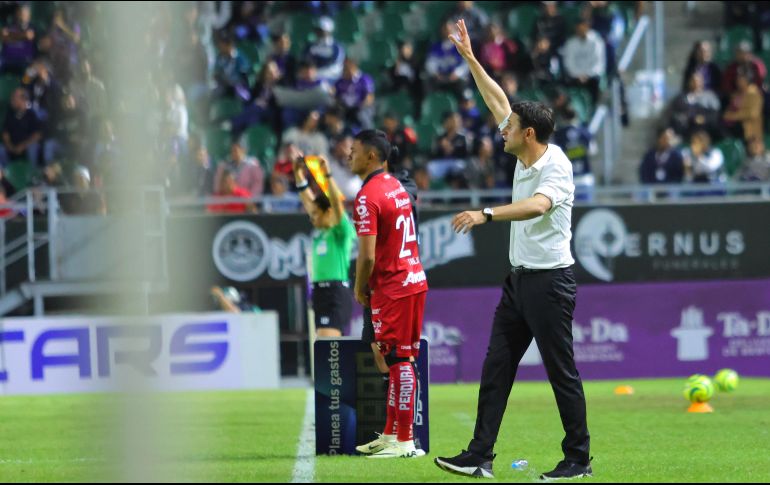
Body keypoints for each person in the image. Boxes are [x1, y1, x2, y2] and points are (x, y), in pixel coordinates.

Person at [434, 20, 592, 481]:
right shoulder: (525, 150)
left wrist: (486, 214)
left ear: (529, 135)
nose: (501, 130)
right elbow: (497, 99)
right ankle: (479, 455)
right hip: (519, 281)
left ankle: (578, 460)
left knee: (561, 372)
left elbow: (538, 206)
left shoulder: (555, 166)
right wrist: (468, 57)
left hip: (550, 283)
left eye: (511, 128)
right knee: (496, 367)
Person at [349, 129, 428, 459]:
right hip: (412, 278)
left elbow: (366, 256)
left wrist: (358, 288)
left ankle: (406, 441)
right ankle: (392, 433)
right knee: (399, 358)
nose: (349, 155)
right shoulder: (396, 185)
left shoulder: (367, 197)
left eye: (354, 151)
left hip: (393, 286)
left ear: (371, 156)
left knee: (398, 360)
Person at [291, 147, 356, 338]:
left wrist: (327, 175)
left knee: (328, 347)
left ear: (328, 212)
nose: (312, 218)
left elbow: (336, 203)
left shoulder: (341, 231)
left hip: (334, 292)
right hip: (320, 293)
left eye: (315, 214)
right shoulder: (321, 233)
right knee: (327, 350)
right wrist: (298, 173)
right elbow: (307, 199)